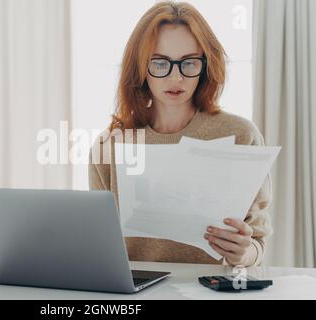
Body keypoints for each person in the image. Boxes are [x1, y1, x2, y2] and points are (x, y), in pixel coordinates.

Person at [88, 1, 272, 267]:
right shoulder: (110, 145)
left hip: (212, 290)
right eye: (160, 63)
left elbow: (257, 242)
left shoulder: (240, 135)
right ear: (140, 68)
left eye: (189, 63)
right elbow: (98, 245)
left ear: (206, 66)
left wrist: (244, 253)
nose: (176, 78)